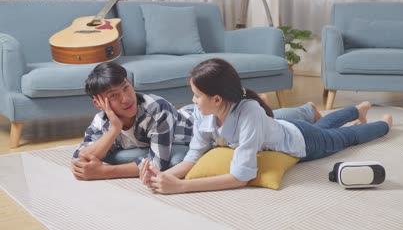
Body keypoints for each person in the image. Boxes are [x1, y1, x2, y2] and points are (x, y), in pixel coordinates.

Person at [140, 58, 392, 194]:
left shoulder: (249, 112)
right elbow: (194, 156)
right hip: (284, 126)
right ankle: (356, 110)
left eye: (196, 95)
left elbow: (241, 176)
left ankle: (382, 125)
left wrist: (182, 187)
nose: (192, 100)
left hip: (303, 141)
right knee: (326, 126)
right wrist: (163, 177)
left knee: (345, 137)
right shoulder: (202, 112)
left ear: (216, 99)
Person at [71, 62, 322, 180]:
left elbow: (160, 162)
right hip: (196, 112)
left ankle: (307, 110)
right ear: (99, 103)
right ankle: (297, 110)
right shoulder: (103, 120)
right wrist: (114, 129)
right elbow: (81, 157)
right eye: (114, 96)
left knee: (271, 120)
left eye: (126, 88)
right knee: (265, 119)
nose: (126, 98)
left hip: (197, 123)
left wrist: (105, 172)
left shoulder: (154, 108)